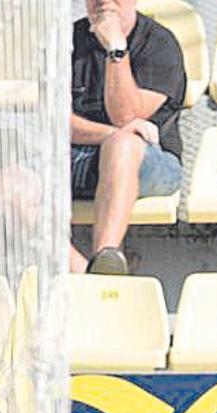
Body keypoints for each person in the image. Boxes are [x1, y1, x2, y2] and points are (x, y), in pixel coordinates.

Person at [70, 0, 186, 274]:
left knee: (123, 146)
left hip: (149, 162)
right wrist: (110, 134)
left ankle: (105, 252)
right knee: (10, 186)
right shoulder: (67, 41)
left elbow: (126, 115)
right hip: (78, 158)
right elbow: (52, 121)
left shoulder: (160, 43)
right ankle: (91, 274)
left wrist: (116, 49)